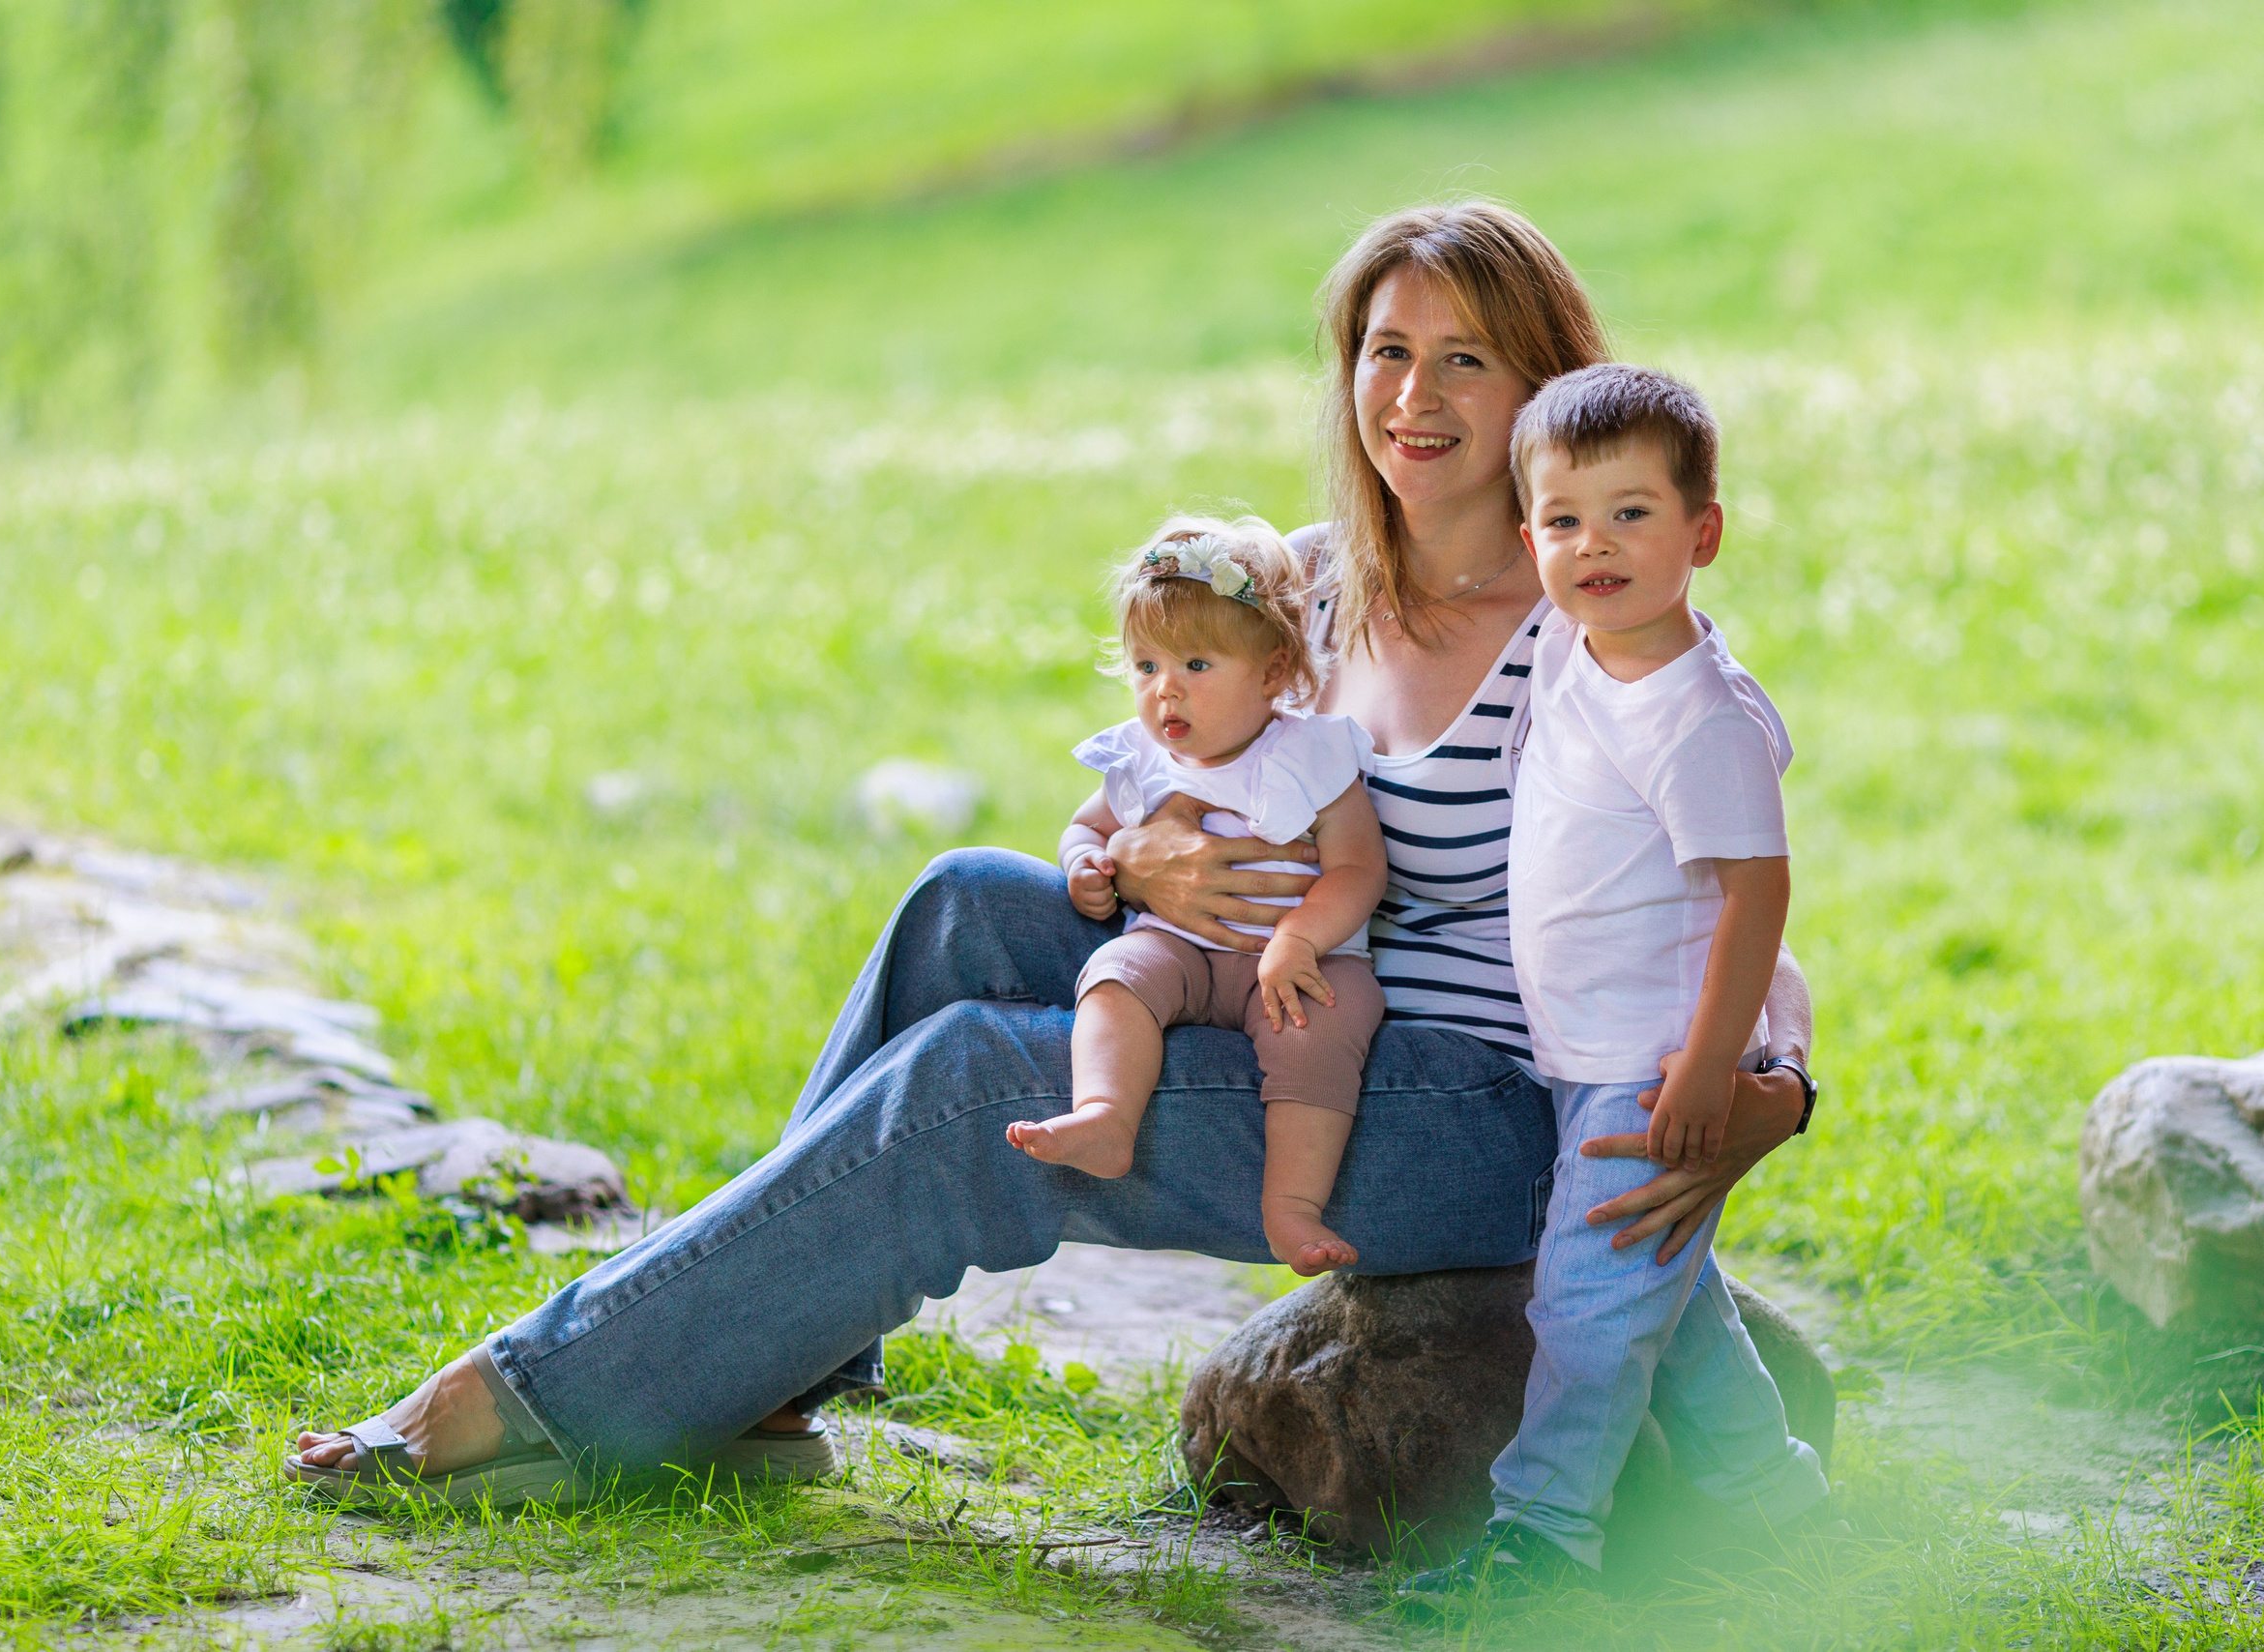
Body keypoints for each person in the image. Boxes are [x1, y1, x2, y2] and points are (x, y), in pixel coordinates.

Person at [280, 200, 1822, 1522]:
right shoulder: (1310, 591)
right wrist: (1139, 862)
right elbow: (1176, 773)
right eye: (1386, 350)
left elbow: (1727, 882)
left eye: (1466, 359)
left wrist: (1777, 1086)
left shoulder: (1597, 622)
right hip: (1284, 997)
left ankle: (542, 1401)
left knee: (978, 1087)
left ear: (1545, 383)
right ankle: (760, 1377)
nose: (1413, 396)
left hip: (1486, 1106)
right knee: (962, 903)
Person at [1398, 365, 1830, 1604]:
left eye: (1631, 515)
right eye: (1563, 519)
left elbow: (1755, 898)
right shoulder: (1573, 646)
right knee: (1668, 1306)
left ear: (1703, 533)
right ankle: (1783, 1506)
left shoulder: (1699, 720)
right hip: (1581, 1056)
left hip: (1649, 1070)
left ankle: (1542, 1542)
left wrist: (1707, 1071)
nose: (1593, 545)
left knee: (1589, 1312)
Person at [1008, 516, 1387, 1277]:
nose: (1165, 689)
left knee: (1321, 1030)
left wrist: (1301, 939)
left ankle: (1292, 1206)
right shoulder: (1143, 758)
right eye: (1146, 665)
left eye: (1196, 663)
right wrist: (1087, 865)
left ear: (1274, 673)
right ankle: (1105, 1117)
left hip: (1292, 962)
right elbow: (1087, 827)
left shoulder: (1309, 754)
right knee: (1116, 975)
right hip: (1178, 948)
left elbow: (1358, 868)